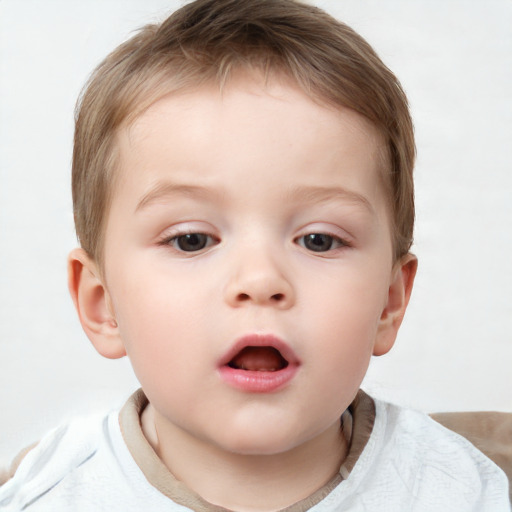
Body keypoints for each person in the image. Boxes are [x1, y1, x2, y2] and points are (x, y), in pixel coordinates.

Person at [0, 0, 509, 510]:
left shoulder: (460, 488)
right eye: (191, 239)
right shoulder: (48, 495)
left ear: (389, 302)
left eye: (319, 240)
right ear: (101, 303)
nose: (261, 279)